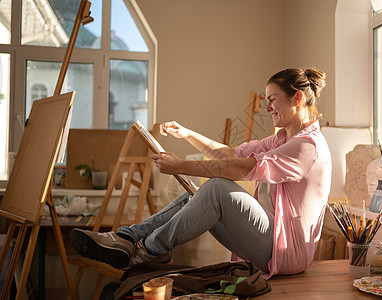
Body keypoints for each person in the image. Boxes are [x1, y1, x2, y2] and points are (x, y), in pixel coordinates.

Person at [70, 68, 332, 278]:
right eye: (266, 101)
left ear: (297, 98)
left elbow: (240, 168)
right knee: (195, 194)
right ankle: (128, 237)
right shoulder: (282, 139)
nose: (267, 108)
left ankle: (146, 251)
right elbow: (231, 154)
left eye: (272, 100)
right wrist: (187, 134)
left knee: (217, 187)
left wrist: (180, 165)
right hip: (269, 243)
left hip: (287, 253)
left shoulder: (307, 146)